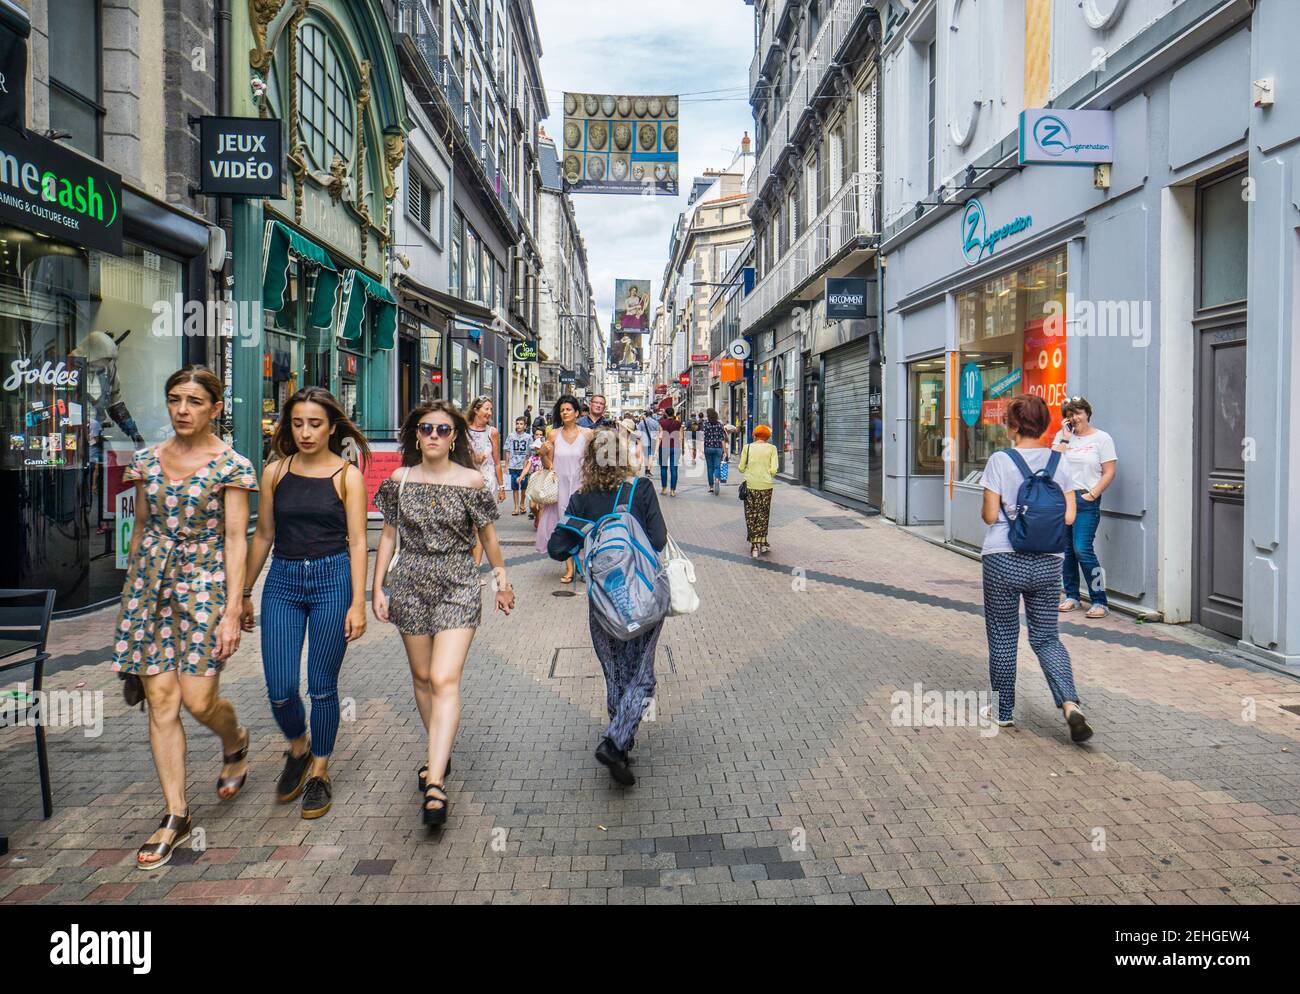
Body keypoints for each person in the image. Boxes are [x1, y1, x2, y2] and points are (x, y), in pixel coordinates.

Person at [111, 366, 256, 869]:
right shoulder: (147, 461)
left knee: (198, 699)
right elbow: (142, 530)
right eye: (175, 399)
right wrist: (130, 598)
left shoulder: (230, 466)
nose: (182, 409)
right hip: (150, 586)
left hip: (203, 584)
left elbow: (236, 540)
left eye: (194, 401)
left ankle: (235, 740)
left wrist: (233, 609)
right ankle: (176, 814)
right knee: (162, 700)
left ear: (215, 407)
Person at [372, 401, 516, 827]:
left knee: (442, 677)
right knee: (420, 678)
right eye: (426, 428)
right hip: (410, 582)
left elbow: (488, 539)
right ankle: (440, 748)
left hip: (457, 581)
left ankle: (435, 780)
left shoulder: (472, 481)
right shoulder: (400, 480)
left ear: (455, 438)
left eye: (443, 430)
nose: (434, 435)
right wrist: (377, 587)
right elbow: (387, 536)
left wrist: (501, 582)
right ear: (416, 435)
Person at [240, 387, 370, 820]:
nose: (305, 432)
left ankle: (319, 770)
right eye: (297, 423)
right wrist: (242, 592)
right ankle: (298, 746)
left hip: (332, 579)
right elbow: (262, 536)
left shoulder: (347, 476)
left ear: (332, 427)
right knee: (279, 690)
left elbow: (358, 542)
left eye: (315, 424)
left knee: (321, 686)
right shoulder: (275, 472)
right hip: (283, 581)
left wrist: (358, 603)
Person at [548, 428, 667, 786]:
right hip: (642, 599)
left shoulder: (583, 498)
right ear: (624, 456)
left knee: (615, 672)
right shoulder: (640, 489)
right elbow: (659, 539)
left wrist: (588, 536)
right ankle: (616, 742)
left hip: (602, 602)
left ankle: (620, 744)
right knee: (642, 676)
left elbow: (557, 548)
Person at [979, 395, 1093, 743]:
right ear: (1045, 424)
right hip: (1048, 563)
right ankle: (1070, 705)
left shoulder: (1000, 460)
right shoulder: (1062, 463)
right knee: (1046, 637)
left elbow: (987, 516)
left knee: (1003, 635)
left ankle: (1003, 712)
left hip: (1002, 559)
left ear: (1011, 425)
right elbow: (1070, 516)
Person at [1052, 396, 1117, 619]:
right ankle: (1071, 595)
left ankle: (1100, 600)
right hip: (1063, 500)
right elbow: (1053, 465)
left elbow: (1109, 471)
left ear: (1087, 413)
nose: (1074, 418)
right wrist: (1065, 439)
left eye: (1078, 413)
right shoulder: (1062, 437)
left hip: (1086, 500)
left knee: (1083, 549)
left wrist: (1093, 494)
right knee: (1067, 552)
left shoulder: (1102, 438)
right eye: (1069, 415)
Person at [534, 395, 592, 582]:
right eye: (562, 410)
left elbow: (593, 460)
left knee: (584, 523)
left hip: (582, 484)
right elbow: (548, 462)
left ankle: (583, 563)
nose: (565, 412)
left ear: (576, 413)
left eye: (568, 409)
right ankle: (569, 566)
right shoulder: (554, 434)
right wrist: (543, 455)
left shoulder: (587, 434)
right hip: (561, 485)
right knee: (564, 523)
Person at [466, 397, 506, 569]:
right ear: (476, 410)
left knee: (479, 526)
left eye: (491, 409)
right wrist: (471, 456)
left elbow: (497, 462)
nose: (489, 413)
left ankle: (475, 567)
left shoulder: (493, 432)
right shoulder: (463, 431)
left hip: (487, 483)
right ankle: (467, 563)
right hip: (466, 481)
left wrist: (502, 487)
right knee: (465, 526)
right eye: (486, 409)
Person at [739, 424, 780, 557]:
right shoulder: (772, 448)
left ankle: (754, 546)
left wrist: (750, 470)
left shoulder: (748, 447)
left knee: (751, 514)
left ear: (754, 435)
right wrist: (767, 474)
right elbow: (774, 469)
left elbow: (740, 468)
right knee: (763, 514)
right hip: (766, 486)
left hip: (751, 485)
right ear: (767, 436)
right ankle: (762, 543)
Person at [504, 415, 533, 515]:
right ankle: (516, 507)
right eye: (517, 423)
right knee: (515, 487)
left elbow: (530, 453)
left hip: (523, 466)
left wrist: (528, 466)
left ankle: (522, 504)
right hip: (513, 465)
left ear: (525, 426)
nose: (519, 425)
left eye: (521, 424)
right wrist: (507, 464)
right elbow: (507, 450)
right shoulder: (511, 436)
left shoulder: (528, 437)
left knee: (524, 487)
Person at [653, 405, 682, 496]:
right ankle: (673, 490)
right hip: (675, 447)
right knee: (674, 469)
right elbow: (681, 437)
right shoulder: (678, 423)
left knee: (663, 468)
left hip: (664, 447)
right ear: (673, 413)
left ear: (665, 414)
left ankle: (664, 489)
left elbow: (660, 437)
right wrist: (682, 448)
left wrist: (656, 451)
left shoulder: (662, 423)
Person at [639, 408, 660, 478]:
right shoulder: (655, 422)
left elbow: (639, 432)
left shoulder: (641, 422)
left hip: (644, 441)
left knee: (646, 456)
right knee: (651, 456)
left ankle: (646, 470)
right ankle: (648, 470)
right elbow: (658, 432)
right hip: (652, 440)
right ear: (651, 415)